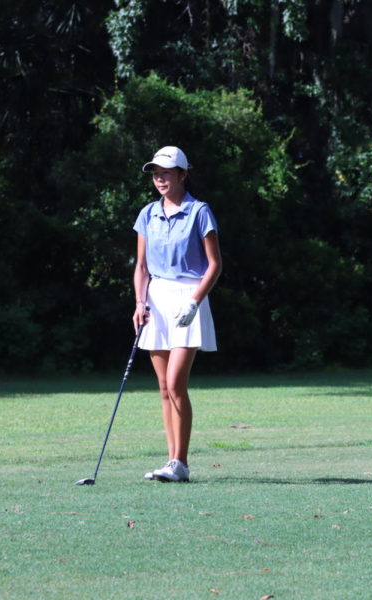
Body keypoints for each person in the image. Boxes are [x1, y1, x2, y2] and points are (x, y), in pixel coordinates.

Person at [132, 146, 222, 482]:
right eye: (156, 173)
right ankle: (172, 461)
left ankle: (180, 462)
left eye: (167, 172)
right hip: (156, 298)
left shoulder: (199, 212)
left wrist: (195, 301)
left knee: (175, 383)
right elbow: (141, 267)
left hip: (189, 297)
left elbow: (214, 265)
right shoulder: (147, 214)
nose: (160, 179)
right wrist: (139, 303)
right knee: (162, 388)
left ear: (183, 174)